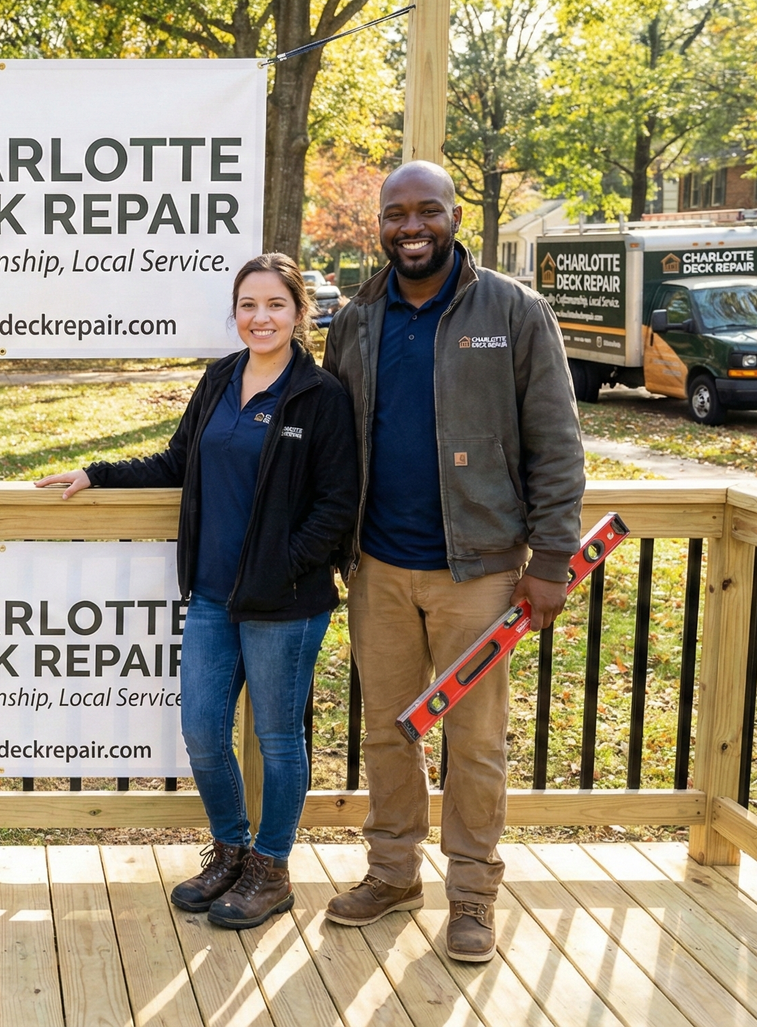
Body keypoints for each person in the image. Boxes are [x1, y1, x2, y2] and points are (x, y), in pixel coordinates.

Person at [36, 252, 358, 930]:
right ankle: (232, 848)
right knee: (202, 730)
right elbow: (177, 461)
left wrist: (287, 565)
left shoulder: (320, 396)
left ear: (299, 313)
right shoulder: (219, 379)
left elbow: (337, 503)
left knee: (277, 737)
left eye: (275, 304)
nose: (260, 316)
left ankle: (271, 867)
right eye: (248, 304)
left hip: (287, 601)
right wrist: (95, 472)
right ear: (235, 313)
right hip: (213, 593)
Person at [320, 161, 584, 962]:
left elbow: (557, 441)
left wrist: (552, 558)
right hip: (379, 569)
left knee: (474, 739)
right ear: (380, 223)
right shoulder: (358, 317)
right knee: (387, 732)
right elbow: (337, 441)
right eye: (396, 213)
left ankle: (471, 892)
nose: (412, 226)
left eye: (427, 211)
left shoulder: (513, 309)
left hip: (481, 570)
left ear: (454, 215)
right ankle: (392, 870)